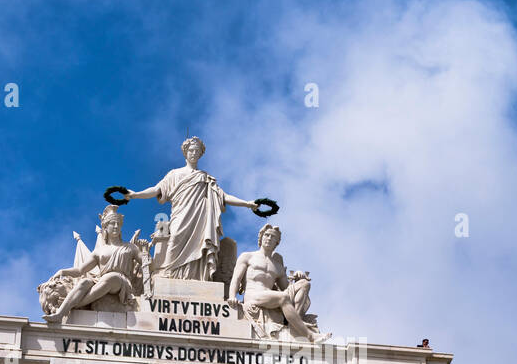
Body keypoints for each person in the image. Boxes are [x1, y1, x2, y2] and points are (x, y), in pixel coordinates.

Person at [123, 136, 259, 280]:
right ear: (185, 152)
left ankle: (197, 278)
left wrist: (247, 203)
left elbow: (223, 196)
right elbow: (156, 190)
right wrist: (136, 195)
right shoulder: (174, 174)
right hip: (180, 215)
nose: (194, 153)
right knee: (174, 239)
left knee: (200, 246)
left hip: (200, 219)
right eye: (191, 150)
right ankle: (170, 274)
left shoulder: (205, 177)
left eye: (197, 151)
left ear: (200, 154)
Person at [42, 205, 143, 322]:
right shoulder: (99, 251)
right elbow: (80, 270)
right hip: (102, 280)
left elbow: (147, 264)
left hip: (121, 281)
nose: (116, 226)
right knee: (85, 281)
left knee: (111, 277)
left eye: (118, 224)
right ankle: (60, 314)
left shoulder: (131, 247)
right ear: (105, 227)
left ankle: (75, 305)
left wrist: (145, 251)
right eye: (112, 223)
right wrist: (63, 271)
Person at [227, 223, 324, 341]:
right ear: (261, 237)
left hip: (270, 296)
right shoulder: (248, 257)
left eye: (273, 237)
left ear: (276, 243)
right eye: (266, 235)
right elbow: (236, 279)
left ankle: (295, 322)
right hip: (253, 295)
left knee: (304, 284)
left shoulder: (277, 265)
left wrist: (299, 278)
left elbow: (286, 289)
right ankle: (309, 335)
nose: (269, 238)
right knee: (282, 297)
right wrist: (232, 296)